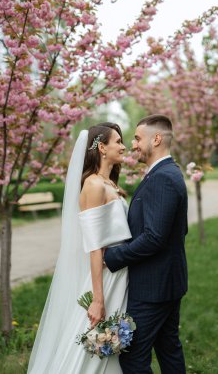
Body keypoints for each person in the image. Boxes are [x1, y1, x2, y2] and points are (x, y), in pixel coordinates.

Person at [27, 122, 132, 374]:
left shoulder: (110, 184)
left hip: (121, 272)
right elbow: (95, 247)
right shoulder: (94, 185)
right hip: (107, 278)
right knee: (96, 345)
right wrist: (97, 299)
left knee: (115, 348)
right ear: (102, 148)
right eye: (118, 141)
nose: (123, 146)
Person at [104, 114, 188, 374]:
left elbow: (154, 237)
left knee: (133, 357)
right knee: (168, 349)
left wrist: (113, 257)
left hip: (154, 287)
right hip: (166, 281)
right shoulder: (164, 174)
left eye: (138, 138)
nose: (134, 144)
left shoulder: (163, 178)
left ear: (157, 139)